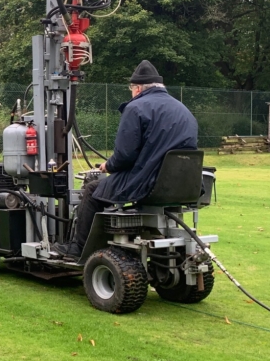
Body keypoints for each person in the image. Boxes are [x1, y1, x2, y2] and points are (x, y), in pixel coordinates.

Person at [61, 60, 198, 260]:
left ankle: (77, 250)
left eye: (131, 89)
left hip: (148, 183)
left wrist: (108, 165)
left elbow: (125, 155)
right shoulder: (183, 109)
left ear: (138, 88)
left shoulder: (135, 108)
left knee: (92, 190)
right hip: (183, 185)